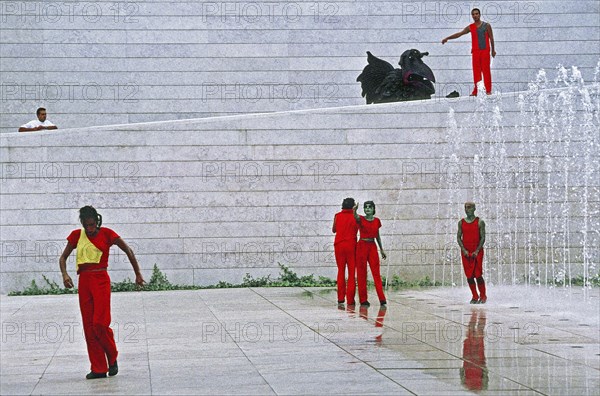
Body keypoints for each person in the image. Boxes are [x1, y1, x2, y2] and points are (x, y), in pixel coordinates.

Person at [59, 206, 145, 379]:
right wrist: (65, 274)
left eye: (92, 225)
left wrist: (137, 273)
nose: (90, 229)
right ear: (82, 223)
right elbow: (63, 258)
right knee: (89, 326)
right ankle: (98, 368)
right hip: (84, 281)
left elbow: (128, 251)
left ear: (97, 222)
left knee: (100, 323)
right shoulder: (77, 235)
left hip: (101, 280)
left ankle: (112, 355)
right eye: (86, 225)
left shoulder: (107, 233)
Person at [442, 8, 496, 96]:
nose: (475, 15)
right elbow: (459, 34)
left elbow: (491, 38)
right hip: (475, 52)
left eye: (476, 14)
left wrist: (493, 50)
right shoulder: (471, 27)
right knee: (476, 72)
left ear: (479, 14)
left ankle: (488, 90)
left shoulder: (486, 25)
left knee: (486, 71)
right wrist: (447, 38)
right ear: (472, 16)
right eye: (473, 14)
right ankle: (476, 91)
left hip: (485, 51)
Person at [353, 201, 387, 306]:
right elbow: (356, 217)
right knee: (361, 273)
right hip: (362, 245)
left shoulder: (377, 221)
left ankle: (382, 298)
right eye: (365, 207)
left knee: (376, 273)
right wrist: (354, 210)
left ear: (373, 209)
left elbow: (377, 235)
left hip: (372, 246)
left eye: (369, 207)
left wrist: (381, 249)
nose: (367, 209)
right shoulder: (361, 219)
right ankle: (363, 300)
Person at [457, 201, 487, 304]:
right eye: (465, 208)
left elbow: (483, 238)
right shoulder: (461, 222)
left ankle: (483, 296)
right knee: (469, 276)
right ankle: (474, 296)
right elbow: (458, 237)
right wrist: (464, 250)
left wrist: (477, 250)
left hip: (477, 251)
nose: (467, 210)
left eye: (469, 207)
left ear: (474, 209)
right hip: (466, 252)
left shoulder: (480, 222)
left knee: (478, 275)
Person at [332, 197, 359, 305]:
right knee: (352, 273)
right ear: (353, 206)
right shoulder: (356, 217)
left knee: (341, 271)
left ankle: (340, 298)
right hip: (351, 246)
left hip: (339, 245)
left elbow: (334, 230)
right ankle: (351, 300)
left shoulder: (337, 216)